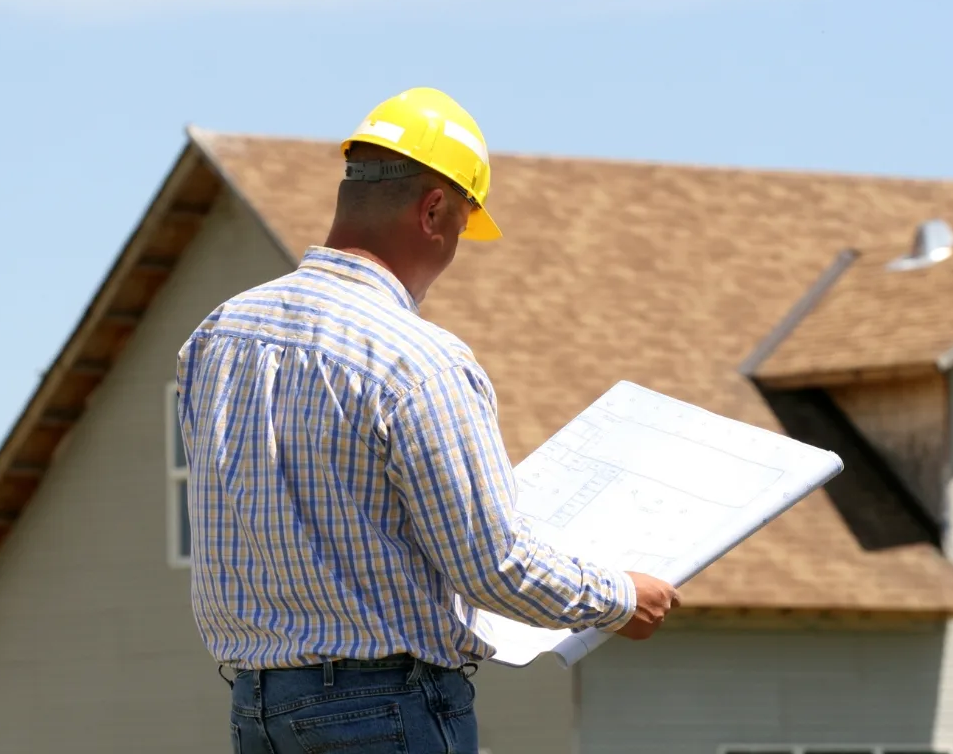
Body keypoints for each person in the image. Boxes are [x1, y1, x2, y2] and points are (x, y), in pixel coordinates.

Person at [175, 87, 680, 754]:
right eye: (464, 226)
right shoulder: (418, 361)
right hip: (385, 709)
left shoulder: (217, 338)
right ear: (435, 208)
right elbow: (492, 565)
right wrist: (619, 598)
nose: (455, 248)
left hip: (258, 710)